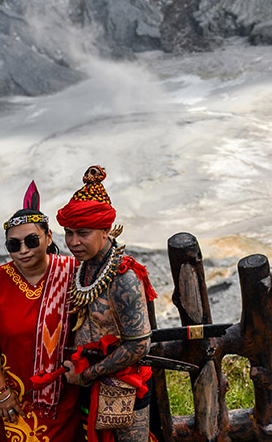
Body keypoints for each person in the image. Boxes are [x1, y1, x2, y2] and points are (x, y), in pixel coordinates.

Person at [0, 181, 80, 441]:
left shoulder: (72, 272)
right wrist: (2, 394)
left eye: (31, 241)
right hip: (17, 399)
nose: (23, 250)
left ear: (49, 237)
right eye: (14, 245)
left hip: (70, 392)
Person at [56, 165, 157, 442]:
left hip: (122, 384)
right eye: (68, 233)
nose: (73, 242)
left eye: (83, 233)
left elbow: (138, 345)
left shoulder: (124, 278)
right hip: (86, 380)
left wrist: (87, 374)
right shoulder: (83, 267)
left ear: (106, 230)